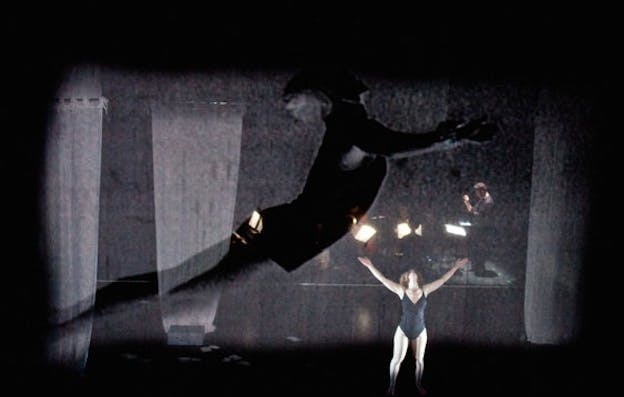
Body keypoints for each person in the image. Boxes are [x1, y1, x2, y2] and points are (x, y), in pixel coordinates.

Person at [168, 68, 497, 295]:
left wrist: (449, 138)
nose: (292, 113)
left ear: (321, 97)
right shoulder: (349, 127)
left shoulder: (351, 126)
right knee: (198, 281)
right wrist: (449, 138)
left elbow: (391, 146)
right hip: (291, 230)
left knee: (198, 280)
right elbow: (389, 147)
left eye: (293, 103)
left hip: (291, 230)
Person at [357, 255, 468, 396]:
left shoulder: (425, 290)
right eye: (410, 272)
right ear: (407, 277)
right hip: (403, 329)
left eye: (415, 272)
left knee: (420, 360)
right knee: (397, 359)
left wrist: (456, 267)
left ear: (418, 277)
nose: (413, 272)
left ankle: (418, 384)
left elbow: (443, 280)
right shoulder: (401, 290)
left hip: (420, 330)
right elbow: (383, 279)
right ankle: (391, 386)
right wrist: (370, 265)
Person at [462, 182, 495, 277]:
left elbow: (477, 213)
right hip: (478, 228)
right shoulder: (482, 200)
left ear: (482, 191)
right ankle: (476, 267)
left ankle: (480, 268)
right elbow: (472, 211)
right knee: (475, 248)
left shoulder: (488, 202)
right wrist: (466, 202)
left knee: (480, 249)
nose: (476, 194)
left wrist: (468, 203)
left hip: (483, 230)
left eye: (477, 192)